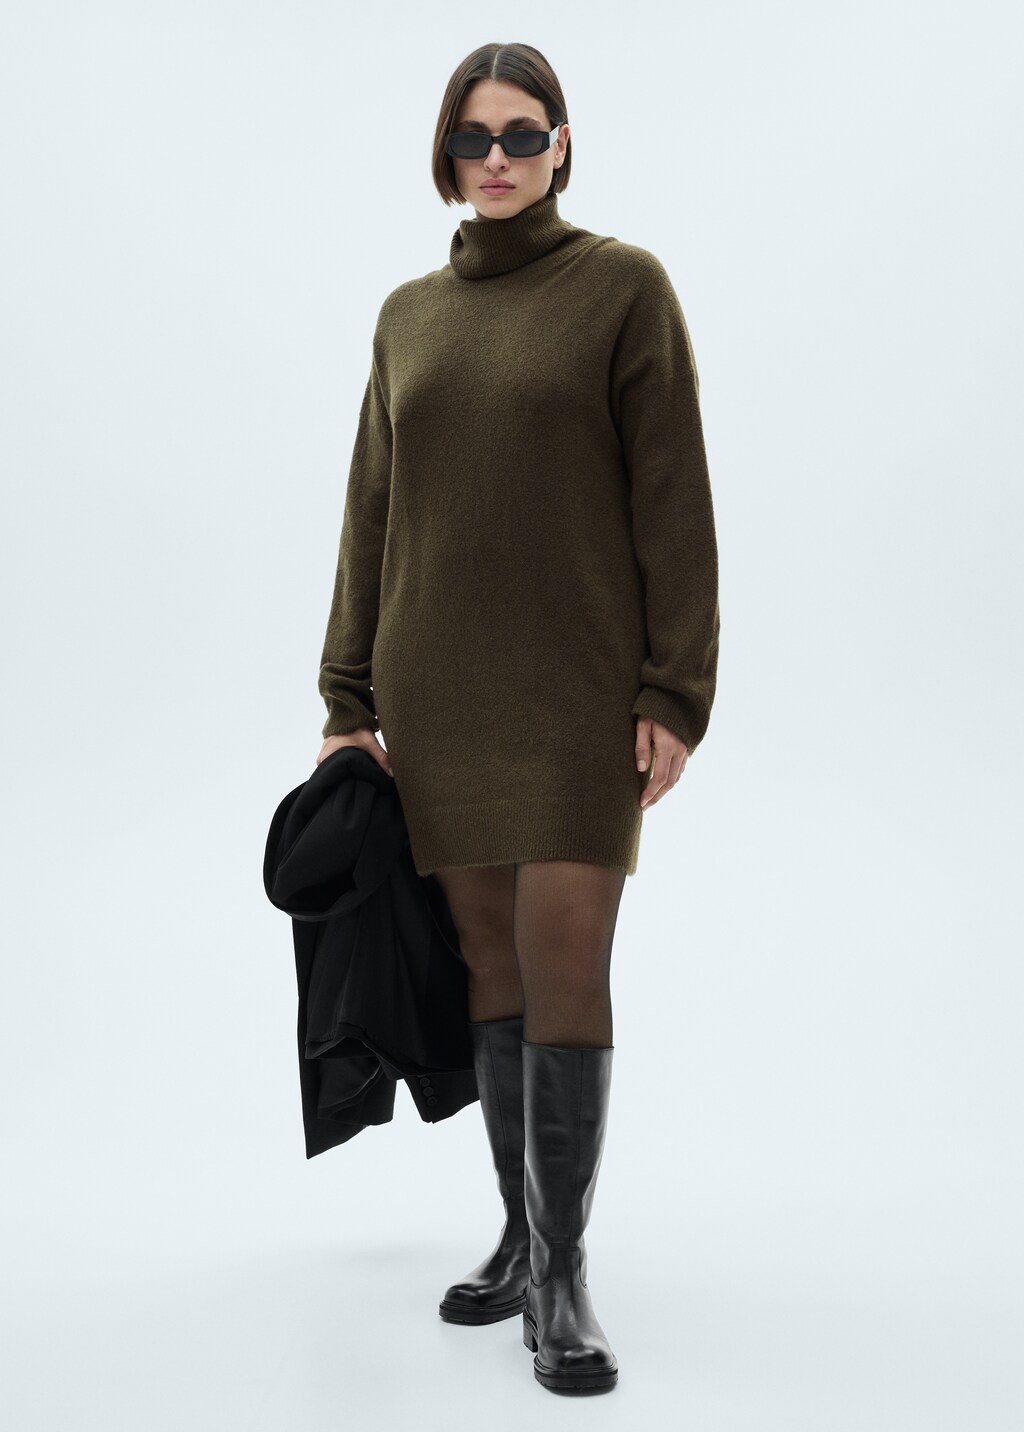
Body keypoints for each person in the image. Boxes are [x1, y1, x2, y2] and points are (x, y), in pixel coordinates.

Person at [314, 42, 720, 1395]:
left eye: (522, 133)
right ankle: (521, 1234)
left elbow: (674, 499)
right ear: (447, 152)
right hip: (439, 688)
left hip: (577, 692)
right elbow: (371, 514)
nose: (497, 157)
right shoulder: (407, 318)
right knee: (488, 960)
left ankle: (562, 1275)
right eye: (473, 136)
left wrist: (674, 689)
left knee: (566, 958)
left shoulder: (622, 289)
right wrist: (347, 698)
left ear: (563, 145)